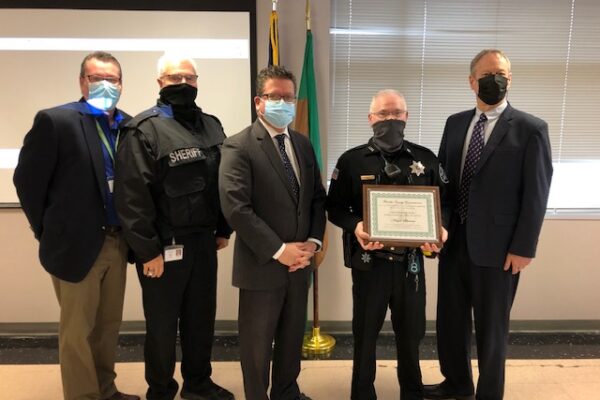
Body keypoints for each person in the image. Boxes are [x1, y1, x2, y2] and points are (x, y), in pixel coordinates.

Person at [423, 49, 553, 400]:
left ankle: (489, 393)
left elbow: (536, 195)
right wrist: (435, 229)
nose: (497, 80)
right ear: (471, 81)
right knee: (451, 323)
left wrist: (524, 248)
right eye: (489, 74)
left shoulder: (531, 129)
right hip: (453, 243)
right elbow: (443, 185)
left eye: (504, 75)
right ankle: (457, 383)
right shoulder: (454, 123)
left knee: (492, 331)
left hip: (500, 250)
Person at [13, 52, 138, 400]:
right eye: (96, 78)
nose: (105, 85)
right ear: (82, 81)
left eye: (112, 79)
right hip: (75, 244)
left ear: (121, 84)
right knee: (77, 331)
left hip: (117, 242)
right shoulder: (56, 121)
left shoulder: (128, 125)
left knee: (108, 326)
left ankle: (105, 389)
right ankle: (83, 396)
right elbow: (27, 182)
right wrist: (47, 230)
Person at [114, 54, 234, 400]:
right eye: (174, 77)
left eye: (189, 77)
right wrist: (147, 250)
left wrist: (224, 228)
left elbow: (222, 181)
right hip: (163, 248)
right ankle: (161, 389)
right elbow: (132, 197)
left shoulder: (212, 124)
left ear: (197, 81)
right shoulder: (143, 129)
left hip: (204, 242)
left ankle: (198, 383)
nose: (183, 83)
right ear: (159, 83)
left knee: (201, 319)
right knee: (163, 326)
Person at [326, 89, 448, 400]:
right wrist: (356, 226)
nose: (390, 119)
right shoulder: (351, 161)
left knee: (411, 336)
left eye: (396, 113)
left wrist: (441, 230)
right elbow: (335, 207)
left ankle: (412, 392)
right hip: (370, 265)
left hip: (411, 265)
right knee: (365, 336)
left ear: (406, 117)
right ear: (370, 119)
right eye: (383, 114)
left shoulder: (426, 158)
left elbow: (444, 204)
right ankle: (363, 393)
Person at [218, 65, 326, 400]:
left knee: (292, 338)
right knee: (256, 346)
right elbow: (237, 208)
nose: (283, 103)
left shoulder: (303, 145)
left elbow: (316, 199)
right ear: (258, 102)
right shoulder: (239, 146)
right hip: (262, 266)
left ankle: (286, 392)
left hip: (300, 265)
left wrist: (312, 243)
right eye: (274, 96)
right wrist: (281, 251)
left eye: (288, 97)